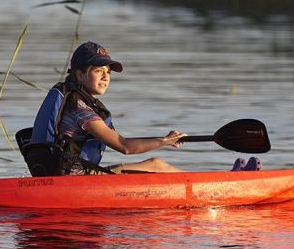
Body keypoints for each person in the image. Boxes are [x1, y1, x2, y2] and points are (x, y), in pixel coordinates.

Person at [29, 41, 185, 175]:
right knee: (156, 165)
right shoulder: (80, 110)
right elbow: (125, 147)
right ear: (80, 74)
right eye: (98, 71)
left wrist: (165, 139)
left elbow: (121, 141)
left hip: (68, 178)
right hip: (77, 182)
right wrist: (163, 142)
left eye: (108, 72)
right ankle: (207, 188)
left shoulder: (72, 101)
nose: (105, 78)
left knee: (155, 164)